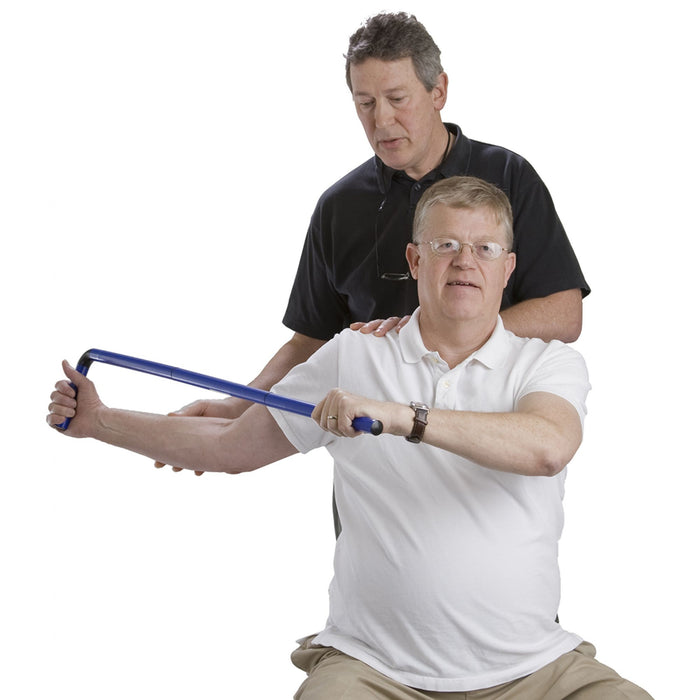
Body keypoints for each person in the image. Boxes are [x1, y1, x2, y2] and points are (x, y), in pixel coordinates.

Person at [48, 176, 651, 699]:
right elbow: (228, 447)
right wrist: (98, 422)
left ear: (508, 268)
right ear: (415, 260)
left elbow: (547, 447)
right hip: (372, 668)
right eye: (445, 245)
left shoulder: (547, 363)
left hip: (534, 669)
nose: (465, 262)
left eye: (484, 248)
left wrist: (401, 417)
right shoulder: (353, 356)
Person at [161, 12, 590, 438]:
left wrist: (429, 337)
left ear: (438, 91)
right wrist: (238, 404)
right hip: (375, 445)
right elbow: (309, 343)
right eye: (365, 103)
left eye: (397, 99)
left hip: (489, 434)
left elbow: (564, 314)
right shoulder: (338, 207)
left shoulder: (510, 177)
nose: (381, 120)